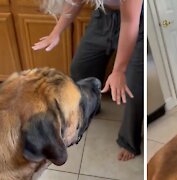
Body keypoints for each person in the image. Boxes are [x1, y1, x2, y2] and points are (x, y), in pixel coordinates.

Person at [32, 0, 143, 161]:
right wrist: (55, 32)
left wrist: (119, 70)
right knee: (80, 68)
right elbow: (75, 2)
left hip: (136, 23)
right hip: (102, 18)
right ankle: (91, 107)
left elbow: (129, 21)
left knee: (133, 87)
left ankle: (129, 141)